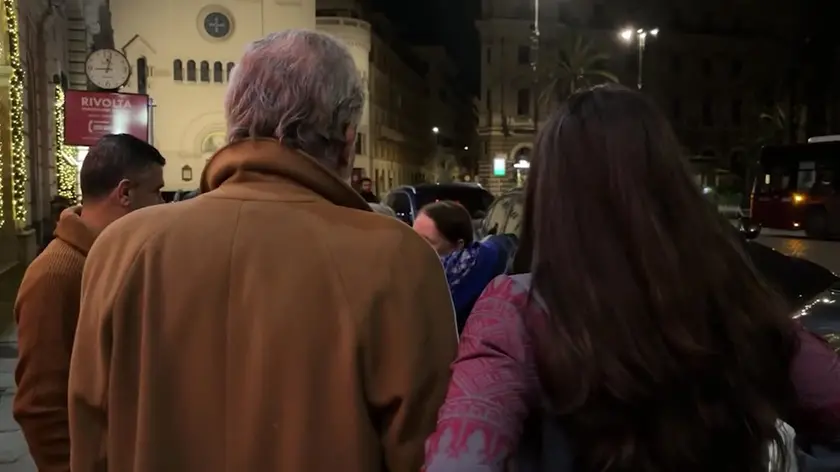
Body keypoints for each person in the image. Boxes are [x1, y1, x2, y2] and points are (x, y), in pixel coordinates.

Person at [68, 30, 457, 472]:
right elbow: (431, 450)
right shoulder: (398, 259)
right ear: (347, 139)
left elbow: (91, 436)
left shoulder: (122, 248)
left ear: (234, 126)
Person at [425, 85, 840, 471]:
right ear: (673, 186)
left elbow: (458, 459)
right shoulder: (734, 297)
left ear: (550, 196)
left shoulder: (516, 311)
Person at [14, 133, 165, 472]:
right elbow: (39, 407)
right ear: (125, 193)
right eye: (157, 192)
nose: (162, 204)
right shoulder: (56, 275)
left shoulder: (112, 259)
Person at [413, 200, 513, 332]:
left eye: (427, 242)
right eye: (412, 237)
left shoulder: (476, 285)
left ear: (458, 246)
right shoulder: (409, 273)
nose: (414, 247)